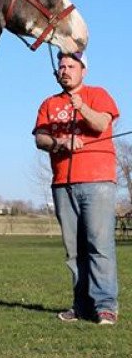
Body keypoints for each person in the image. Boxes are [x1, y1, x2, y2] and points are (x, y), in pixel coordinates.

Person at [33, 51, 119, 325]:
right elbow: (40, 138)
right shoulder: (49, 104)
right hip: (62, 183)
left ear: (83, 70)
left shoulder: (98, 94)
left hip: (98, 181)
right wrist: (60, 143)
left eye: (71, 66)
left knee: (99, 245)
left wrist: (81, 107)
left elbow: (102, 123)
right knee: (74, 250)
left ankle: (105, 306)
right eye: (62, 66)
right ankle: (81, 305)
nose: (65, 70)